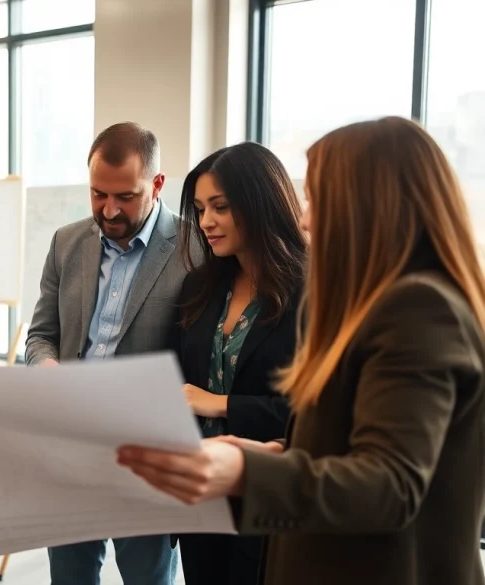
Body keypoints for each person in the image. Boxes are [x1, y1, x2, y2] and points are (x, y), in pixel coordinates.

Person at [117, 116, 485, 585]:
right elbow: (356, 440)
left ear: (371, 203)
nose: (306, 219)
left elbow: (391, 484)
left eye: (315, 198)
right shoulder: (387, 302)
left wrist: (246, 470)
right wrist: (274, 452)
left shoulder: (417, 308)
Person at [25, 121, 197, 585]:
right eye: (98, 194)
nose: (109, 209)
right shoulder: (66, 242)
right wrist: (45, 365)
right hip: (71, 444)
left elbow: (198, 362)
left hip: (147, 453)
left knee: (147, 578)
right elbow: (40, 335)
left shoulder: (194, 249)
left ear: (157, 184)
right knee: (70, 576)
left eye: (125, 196)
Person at [171, 142, 306, 585]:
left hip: (269, 497)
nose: (205, 222)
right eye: (199, 209)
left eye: (220, 207)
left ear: (260, 202)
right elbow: (178, 382)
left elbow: (311, 415)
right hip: (200, 496)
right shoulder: (199, 287)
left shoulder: (314, 293)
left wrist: (221, 403)